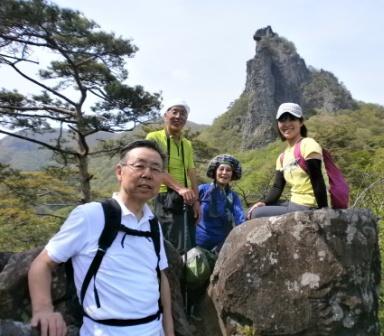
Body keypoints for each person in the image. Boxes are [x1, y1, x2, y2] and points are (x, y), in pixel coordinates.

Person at [28, 140, 174, 336]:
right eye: (139, 166)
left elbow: (160, 275)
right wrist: (43, 310)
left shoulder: (152, 223)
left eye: (156, 169)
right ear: (119, 172)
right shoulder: (91, 216)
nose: (147, 174)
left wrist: (169, 330)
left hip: (154, 329)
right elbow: (42, 264)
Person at [247, 102, 328, 219]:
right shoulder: (282, 157)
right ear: (278, 124)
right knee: (254, 208)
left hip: (308, 205)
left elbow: (317, 179)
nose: (287, 124)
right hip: (294, 202)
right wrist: (264, 202)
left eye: (292, 119)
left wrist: (323, 211)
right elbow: (277, 187)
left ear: (301, 122)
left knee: (255, 214)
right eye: (282, 120)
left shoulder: (308, 144)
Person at [146, 100, 199, 252]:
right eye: (174, 112)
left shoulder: (186, 144)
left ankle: (186, 275)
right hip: (164, 196)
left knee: (188, 245)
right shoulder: (154, 137)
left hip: (186, 199)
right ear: (165, 115)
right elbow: (155, 167)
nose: (178, 116)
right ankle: (168, 276)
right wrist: (180, 189)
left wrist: (196, 200)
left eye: (183, 114)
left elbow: (191, 171)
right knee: (169, 245)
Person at [196, 154, 245, 252]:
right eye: (221, 169)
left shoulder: (233, 196)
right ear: (215, 172)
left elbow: (240, 218)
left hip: (222, 247)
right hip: (198, 245)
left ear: (232, 174)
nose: (224, 173)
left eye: (228, 170)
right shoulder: (202, 190)